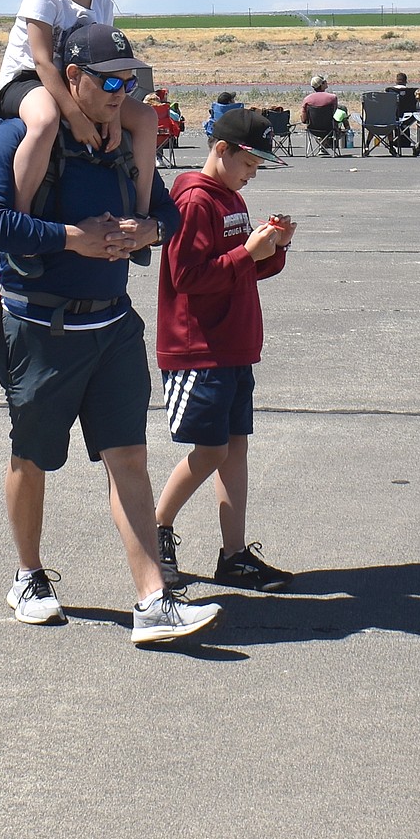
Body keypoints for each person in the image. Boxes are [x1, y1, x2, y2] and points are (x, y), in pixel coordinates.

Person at [0, 21, 222, 647]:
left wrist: (147, 234)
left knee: (128, 458)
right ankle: (28, 576)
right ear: (70, 77)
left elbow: (160, 212)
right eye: (110, 80)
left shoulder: (117, 144)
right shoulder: (20, 136)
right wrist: (68, 237)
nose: (121, 91)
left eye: (130, 80)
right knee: (32, 457)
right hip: (40, 328)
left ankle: (152, 601)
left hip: (111, 327)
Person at [154, 108, 297, 592]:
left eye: (257, 168)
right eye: (249, 164)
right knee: (212, 448)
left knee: (234, 449)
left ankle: (234, 554)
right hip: (200, 347)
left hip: (233, 344)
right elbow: (187, 277)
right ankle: (156, 528)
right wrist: (246, 253)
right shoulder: (196, 200)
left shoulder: (229, 198)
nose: (251, 175)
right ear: (222, 150)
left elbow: (242, 271)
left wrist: (272, 250)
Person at [0, 0, 156, 218]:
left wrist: (111, 118)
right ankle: (21, 214)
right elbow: (42, 61)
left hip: (79, 81)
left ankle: (141, 212)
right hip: (28, 80)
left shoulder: (102, 3)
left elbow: (108, 63)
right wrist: (77, 117)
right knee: (44, 121)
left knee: (147, 119)